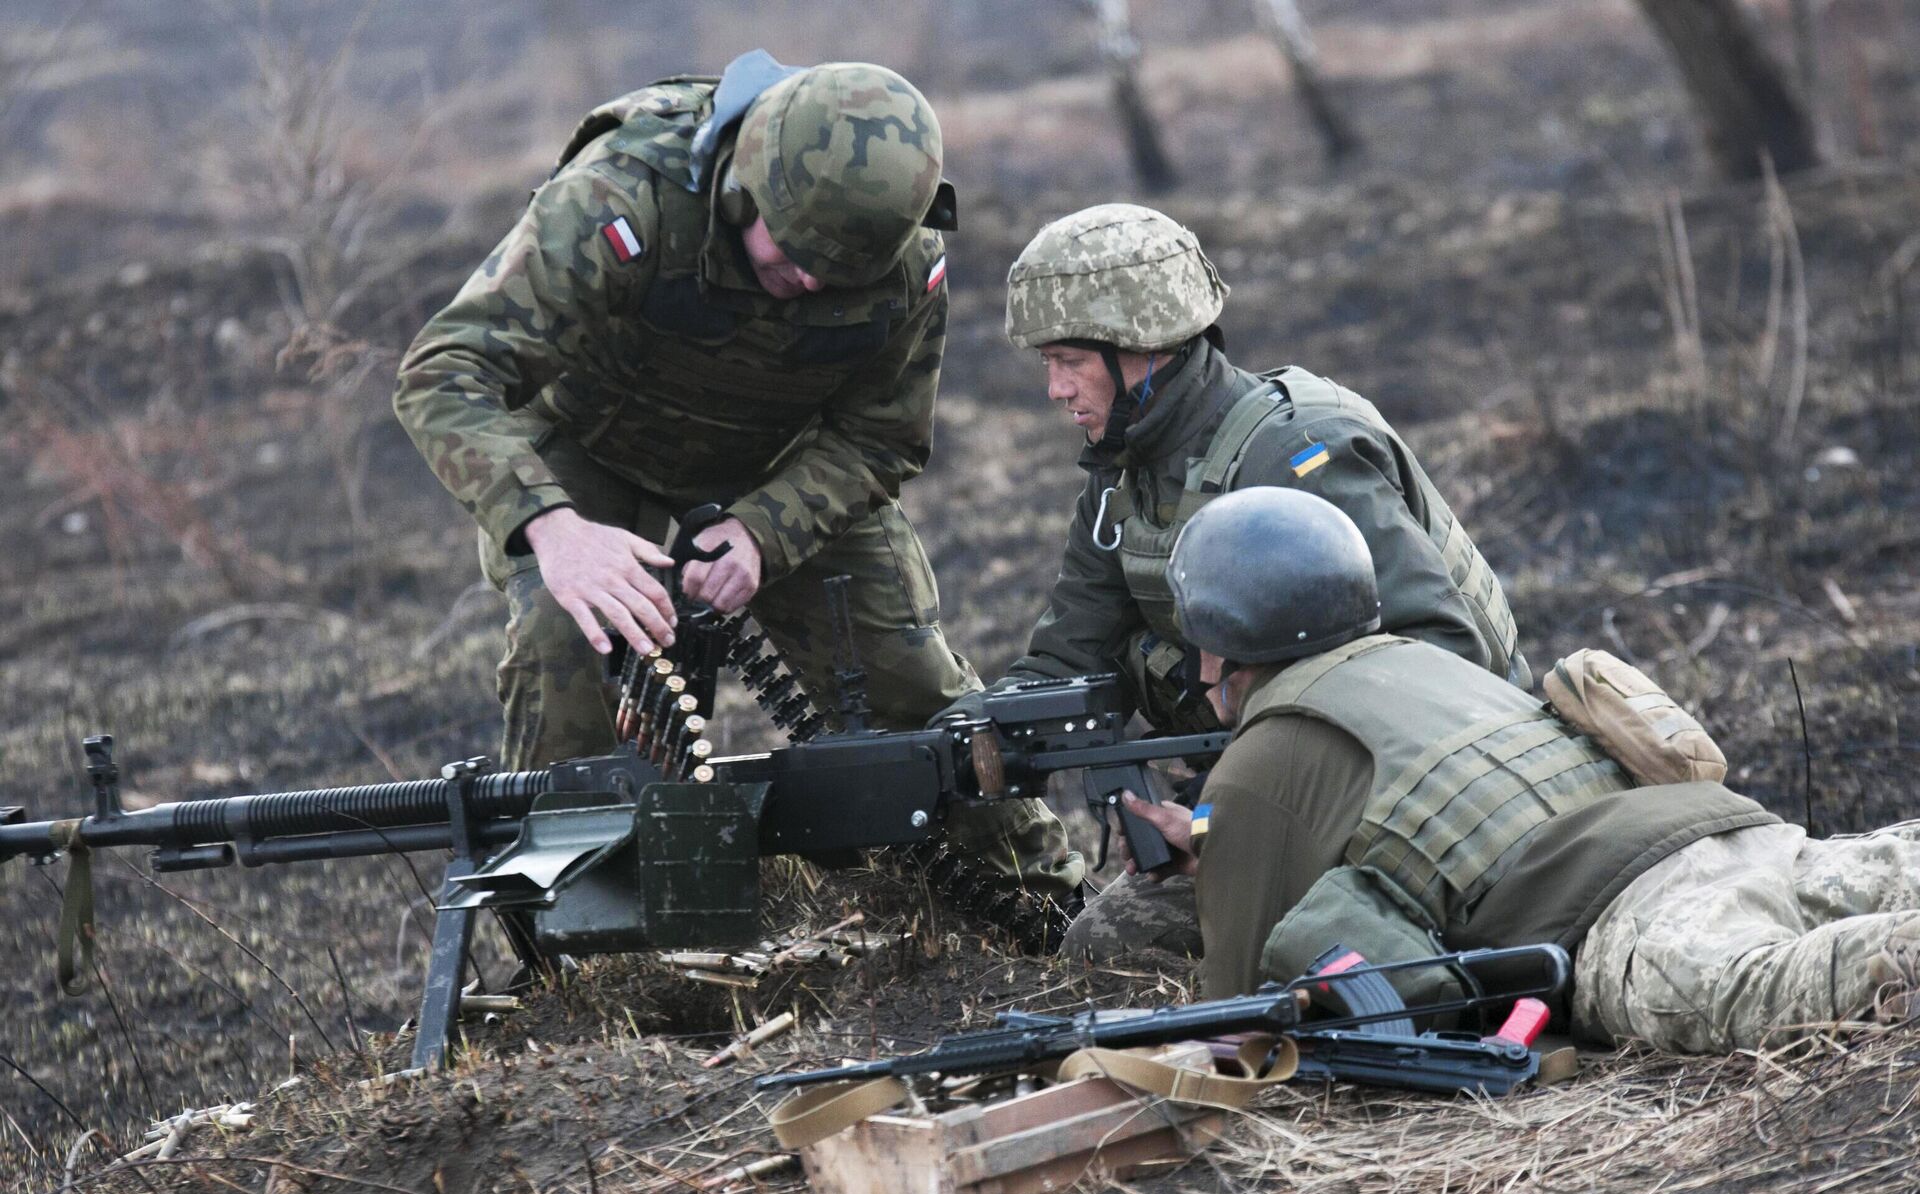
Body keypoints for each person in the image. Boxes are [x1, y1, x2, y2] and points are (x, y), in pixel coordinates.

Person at [393, 51, 1079, 897]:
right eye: (793, 257)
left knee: (907, 672)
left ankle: (1042, 898)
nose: (810, 283)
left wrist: (765, 528)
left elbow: (882, 437)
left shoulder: (903, 258)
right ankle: (575, 943)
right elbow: (442, 372)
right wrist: (555, 531)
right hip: (592, 442)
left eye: (836, 276)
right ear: (743, 189)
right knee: (565, 650)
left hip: (779, 459)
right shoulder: (624, 195)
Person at [1106, 486, 1920, 1054]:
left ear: (1222, 641)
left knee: (1815, 984)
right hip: (1726, 833)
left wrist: (1222, 856)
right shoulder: (1420, 660)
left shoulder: (1256, 760)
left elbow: (1245, 1011)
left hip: (1614, 919)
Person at [977, 203, 1527, 956]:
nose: (1054, 388)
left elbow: (1440, 659)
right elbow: (1072, 647)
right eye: (1047, 363)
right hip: (1273, 794)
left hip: (1427, 797)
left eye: (1069, 359)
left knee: (1134, 961)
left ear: (1143, 345)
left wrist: (1219, 824)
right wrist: (976, 731)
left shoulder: (1295, 455)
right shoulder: (1124, 477)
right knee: (1101, 950)